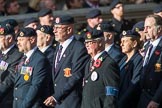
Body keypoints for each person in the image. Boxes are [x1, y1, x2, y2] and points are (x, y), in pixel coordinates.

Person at [44, 15, 89, 108]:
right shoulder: (58, 48)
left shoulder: (78, 48)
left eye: (58, 28)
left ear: (69, 30)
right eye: (54, 27)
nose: (54, 31)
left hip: (71, 102)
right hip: (59, 103)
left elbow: (76, 76)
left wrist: (56, 97)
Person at [0, 27, 51, 108]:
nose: (18, 43)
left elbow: (35, 87)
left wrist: (24, 106)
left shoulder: (40, 60)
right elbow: (13, 78)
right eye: (18, 40)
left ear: (32, 40)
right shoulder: (24, 58)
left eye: (21, 40)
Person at [81, 29, 120, 108]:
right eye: (86, 43)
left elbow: (111, 94)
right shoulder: (89, 63)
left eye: (91, 42)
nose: (87, 45)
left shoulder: (108, 64)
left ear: (100, 43)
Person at [138, 14, 162, 108]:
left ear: (159, 29)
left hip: (155, 99)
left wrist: (156, 100)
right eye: (144, 27)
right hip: (143, 96)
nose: (145, 31)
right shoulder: (147, 46)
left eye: (148, 27)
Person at [118, 30, 143, 108]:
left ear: (134, 43)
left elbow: (134, 84)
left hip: (128, 103)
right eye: (121, 41)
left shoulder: (138, 60)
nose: (121, 44)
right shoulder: (123, 59)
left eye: (124, 41)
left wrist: (121, 102)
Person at [0, 25, 23, 108]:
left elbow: (10, 79)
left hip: (6, 100)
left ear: (9, 39)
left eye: (0, 37)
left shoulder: (18, 55)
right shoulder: (1, 53)